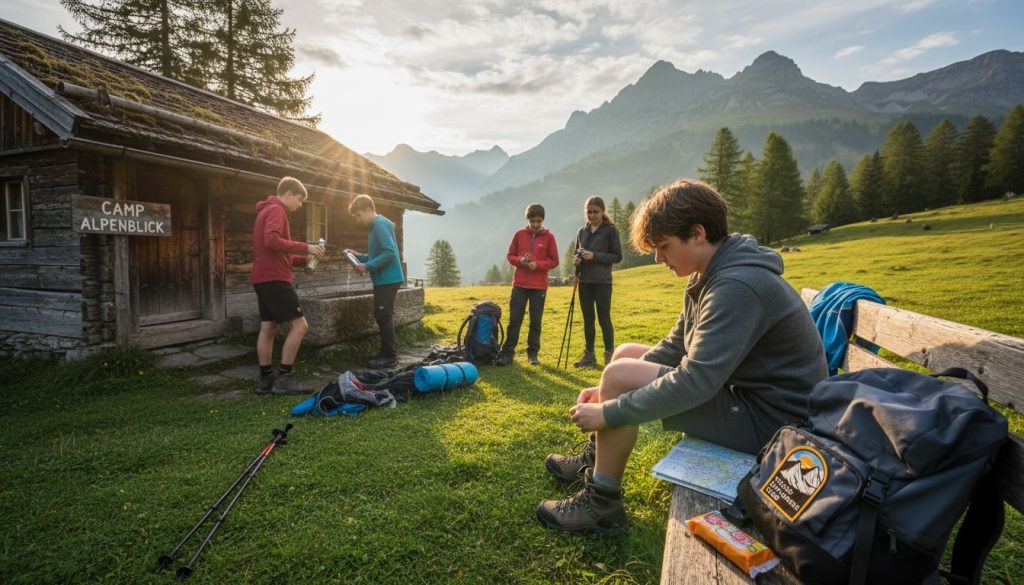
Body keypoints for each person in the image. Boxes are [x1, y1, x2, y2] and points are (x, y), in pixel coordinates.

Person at [536, 179, 827, 535]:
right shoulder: (712, 274)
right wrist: (607, 390)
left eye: (664, 247)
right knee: (624, 358)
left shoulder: (736, 286)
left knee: (619, 376)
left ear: (698, 233)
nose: (659, 258)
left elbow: (696, 381)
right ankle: (597, 456)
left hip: (773, 426)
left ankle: (602, 505)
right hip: (746, 398)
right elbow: (677, 347)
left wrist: (608, 409)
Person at [252, 176, 325, 395]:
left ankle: (266, 379)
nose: (300, 205)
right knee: (300, 326)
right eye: (300, 200)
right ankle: (284, 378)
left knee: (268, 327)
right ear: (289, 194)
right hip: (275, 279)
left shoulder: (264, 211)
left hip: (262, 278)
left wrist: (304, 260)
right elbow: (272, 241)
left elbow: (276, 253)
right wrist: (307, 248)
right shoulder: (276, 210)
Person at [494, 203, 559, 366]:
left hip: (539, 287)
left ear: (542, 220)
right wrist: (520, 261)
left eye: (538, 221)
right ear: (528, 220)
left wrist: (538, 265)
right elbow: (510, 256)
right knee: (515, 320)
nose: (535, 224)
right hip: (520, 285)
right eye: (532, 221)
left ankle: (533, 354)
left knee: (535, 321)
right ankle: (507, 353)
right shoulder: (519, 235)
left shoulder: (549, 238)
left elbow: (554, 261)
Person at [346, 194, 404, 369]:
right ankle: (387, 352)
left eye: (358, 215)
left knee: (383, 316)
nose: (357, 219)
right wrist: (358, 256)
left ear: (368, 209)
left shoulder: (379, 226)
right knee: (382, 316)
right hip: (384, 279)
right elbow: (377, 254)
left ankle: (389, 357)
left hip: (388, 279)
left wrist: (367, 266)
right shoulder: (376, 226)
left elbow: (389, 253)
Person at [572, 196, 623, 368]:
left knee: (604, 319)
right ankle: (589, 356)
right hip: (584, 282)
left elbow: (617, 256)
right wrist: (577, 260)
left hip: (602, 282)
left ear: (602, 212)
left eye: (596, 212)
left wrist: (594, 256)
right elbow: (576, 253)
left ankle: (610, 356)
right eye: (589, 212)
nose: (592, 215)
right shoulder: (581, 231)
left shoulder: (610, 231)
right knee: (588, 319)